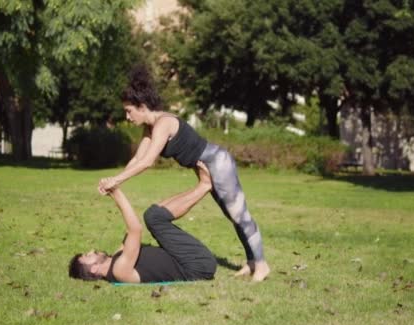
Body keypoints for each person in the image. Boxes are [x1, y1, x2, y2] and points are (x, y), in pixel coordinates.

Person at [98, 65, 270, 281]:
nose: (127, 116)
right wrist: (116, 180)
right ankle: (252, 261)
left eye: (129, 111)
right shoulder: (149, 128)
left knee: (238, 213)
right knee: (231, 214)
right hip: (207, 167)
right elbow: (137, 159)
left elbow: (148, 162)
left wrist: (116, 180)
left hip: (217, 161)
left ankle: (262, 265)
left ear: (142, 106)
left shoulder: (164, 123)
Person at [70, 162, 217, 283]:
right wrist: (116, 192)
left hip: (186, 259)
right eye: (87, 256)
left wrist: (111, 190)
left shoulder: (116, 257)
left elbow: (130, 233)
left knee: (153, 214)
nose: (91, 251)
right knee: (154, 218)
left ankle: (202, 185)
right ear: (93, 269)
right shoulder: (119, 271)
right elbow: (135, 230)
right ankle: (205, 185)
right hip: (197, 265)